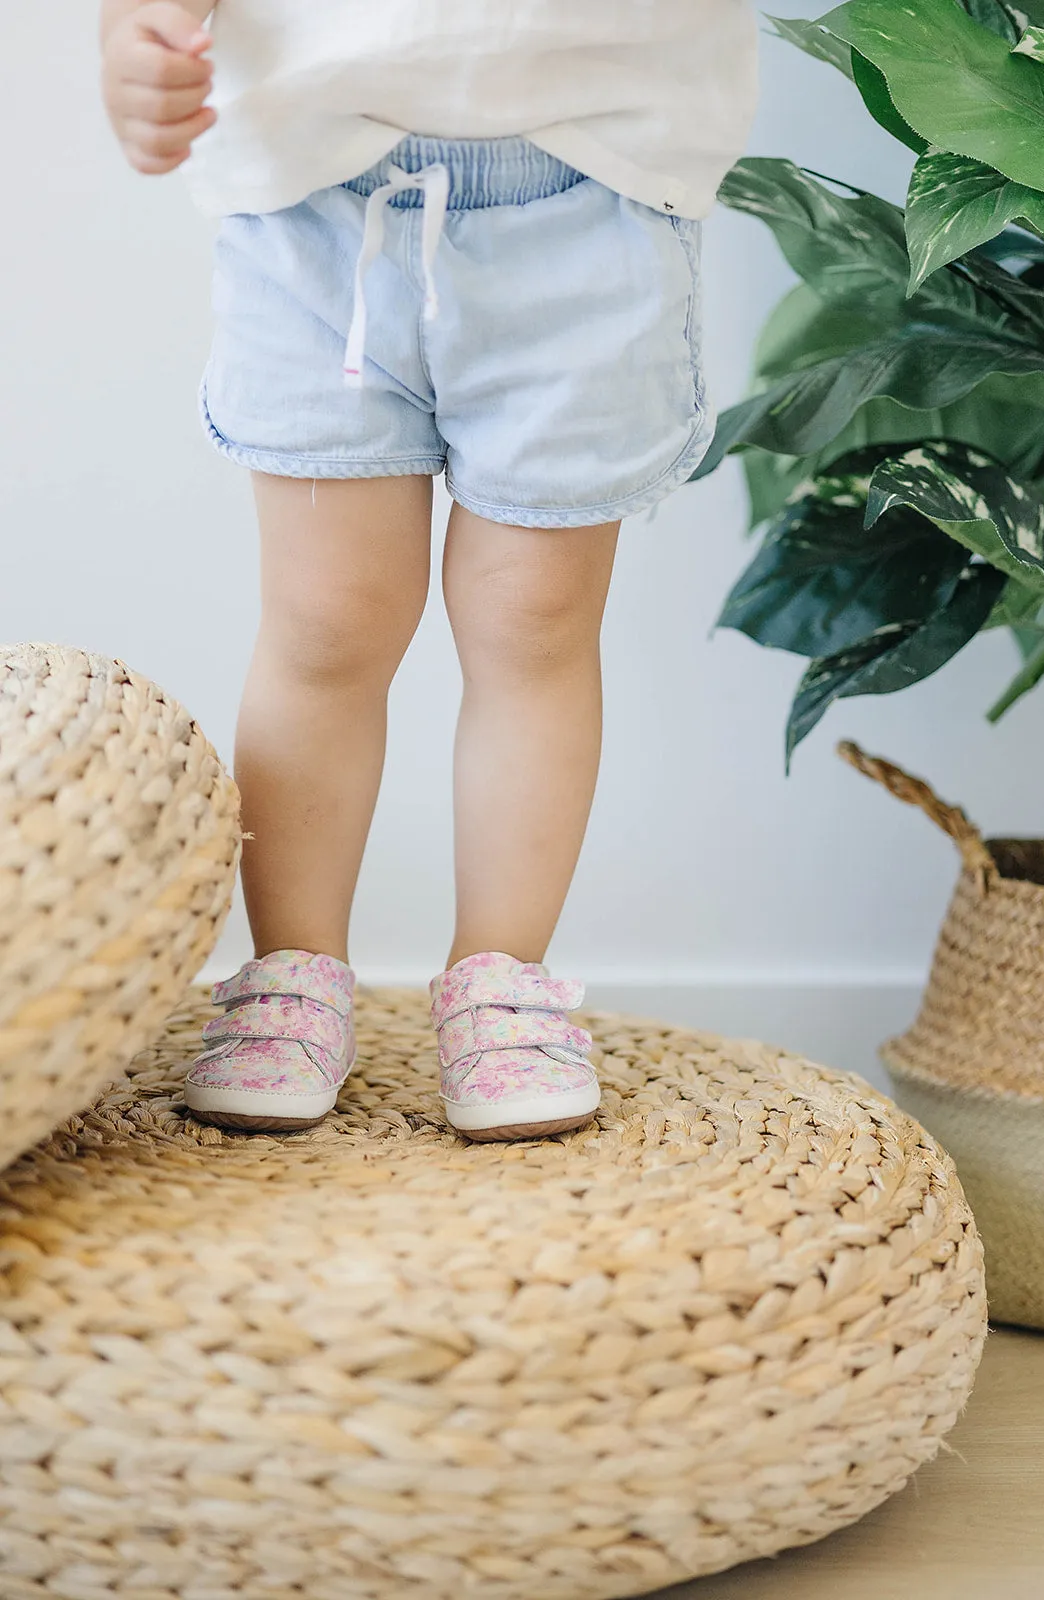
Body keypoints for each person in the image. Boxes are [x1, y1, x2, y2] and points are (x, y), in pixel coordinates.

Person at [99, 0, 759, 1142]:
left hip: (595, 176)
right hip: (309, 186)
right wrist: (132, 31)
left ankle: (502, 979)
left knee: (535, 620)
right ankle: (292, 971)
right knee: (323, 619)